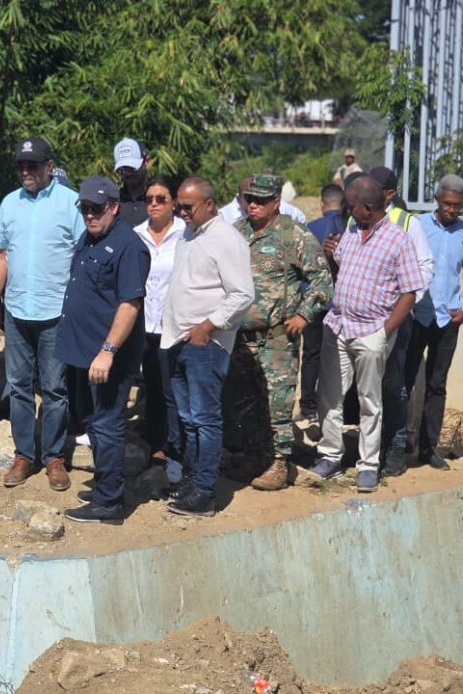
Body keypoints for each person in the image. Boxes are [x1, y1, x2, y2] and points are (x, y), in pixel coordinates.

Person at [310, 176, 425, 493]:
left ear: (370, 208)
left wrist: (384, 332)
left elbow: (409, 292)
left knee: (369, 402)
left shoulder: (398, 240)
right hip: (339, 326)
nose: (347, 210)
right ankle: (330, 456)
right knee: (329, 396)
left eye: (352, 206)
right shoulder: (350, 230)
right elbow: (341, 275)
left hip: (371, 332)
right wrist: (331, 256)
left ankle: (368, 465)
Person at [0, 137, 84, 492]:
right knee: (19, 387)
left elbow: (82, 256)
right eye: (21, 166)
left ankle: (54, 457)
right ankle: (24, 454)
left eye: (32, 165)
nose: (25, 171)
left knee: (56, 389)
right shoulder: (10, 204)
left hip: (55, 313)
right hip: (17, 312)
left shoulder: (70, 203)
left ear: (49, 166)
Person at [229, 173, 332, 491]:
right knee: (245, 403)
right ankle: (253, 456)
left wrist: (304, 314)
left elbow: (322, 280)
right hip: (240, 339)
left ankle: (278, 464)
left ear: (276, 202)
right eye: (249, 199)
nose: (254, 205)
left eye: (261, 200)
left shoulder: (294, 235)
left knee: (278, 403)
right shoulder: (235, 233)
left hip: (276, 340)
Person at [59, 177, 151, 523]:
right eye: (84, 209)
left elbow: (129, 304)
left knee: (109, 424)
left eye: (96, 209)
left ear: (114, 206)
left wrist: (108, 350)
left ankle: (109, 503)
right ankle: (104, 484)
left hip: (107, 357)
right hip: (82, 353)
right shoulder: (90, 237)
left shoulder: (129, 246)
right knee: (93, 423)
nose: (89, 215)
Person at [161, 177, 254, 517]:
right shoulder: (190, 233)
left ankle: (205, 492)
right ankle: (193, 480)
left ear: (210, 204)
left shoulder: (226, 239)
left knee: (204, 419)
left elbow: (242, 294)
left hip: (205, 344)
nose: (181, 212)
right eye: (179, 206)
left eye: (188, 207)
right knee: (188, 419)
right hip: (179, 340)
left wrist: (207, 326)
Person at [405, 175, 463, 470]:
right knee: (404, 381)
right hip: (414, 314)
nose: (452, 210)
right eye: (447, 204)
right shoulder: (418, 226)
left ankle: (428, 448)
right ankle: (399, 443)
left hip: (446, 319)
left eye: (458, 205)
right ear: (437, 200)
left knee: (437, 384)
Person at [368, 166, 434, 476]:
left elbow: (424, 268)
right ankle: (369, 447)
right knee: (367, 385)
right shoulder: (360, 217)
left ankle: (394, 446)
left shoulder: (408, 223)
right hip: (364, 319)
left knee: (393, 384)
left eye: (375, 187)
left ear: (390, 194)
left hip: (395, 319)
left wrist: (405, 303)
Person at [134, 176, 186, 477]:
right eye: (149, 198)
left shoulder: (185, 234)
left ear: (173, 202)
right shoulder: (136, 234)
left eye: (161, 198)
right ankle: (153, 441)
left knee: (171, 389)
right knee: (149, 386)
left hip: (172, 324)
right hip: (143, 324)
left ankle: (174, 447)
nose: (154, 204)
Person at [296, 183, 347, 442]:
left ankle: (307, 407)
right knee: (340, 358)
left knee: (311, 354)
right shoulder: (350, 228)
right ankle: (336, 407)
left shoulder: (309, 229)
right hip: (340, 306)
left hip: (312, 304)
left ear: (322, 202)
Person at [219, 175, 307, 225]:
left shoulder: (291, 215)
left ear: (276, 203)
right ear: (239, 199)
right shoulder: (224, 219)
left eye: (259, 199)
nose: (252, 204)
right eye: (248, 198)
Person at [113, 137, 150, 227]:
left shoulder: (158, 199)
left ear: (146, 162)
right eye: (122, 170)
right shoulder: (113, 203)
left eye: (132, 168)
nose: (128, 174)